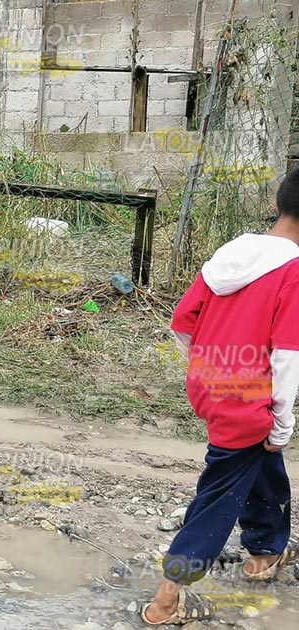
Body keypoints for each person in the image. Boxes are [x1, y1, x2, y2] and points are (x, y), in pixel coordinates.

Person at [139, 168, 299, 625]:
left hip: (210, 386)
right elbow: (288, 356)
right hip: (250, 403)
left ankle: (265, 550)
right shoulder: (293, 272)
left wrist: (212, 367)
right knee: (218, 493)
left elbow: (182, 322)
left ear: (276, 202)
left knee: (256, 461)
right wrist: (282, 423)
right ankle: (167, 597)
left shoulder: (229, 256)